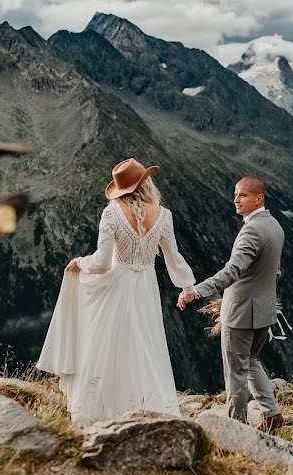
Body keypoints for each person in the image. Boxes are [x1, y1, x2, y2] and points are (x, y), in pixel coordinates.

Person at [37, 158, 195, 426]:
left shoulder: (112, 213)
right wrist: (187, 286)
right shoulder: (164, 215)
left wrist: (79, 262)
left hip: (117, 284)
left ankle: (104, 411)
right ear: (146, 183)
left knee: (109, 346)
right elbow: (173, 258)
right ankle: (149, 408)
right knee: (144, 345)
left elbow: (100, 263)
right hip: (146, 286)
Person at [178, 176, 284, 430]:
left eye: (242, 195)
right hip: (264, 310)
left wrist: (196, 291)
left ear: (259, 198)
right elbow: (274, 270)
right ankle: (271, 414)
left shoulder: (251, 229)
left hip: (241, 312)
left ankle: (236, 427)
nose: (235, 199)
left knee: (235, 371)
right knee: (250, 361)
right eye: (235, 194)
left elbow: (232, 271)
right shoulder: (275, 225)